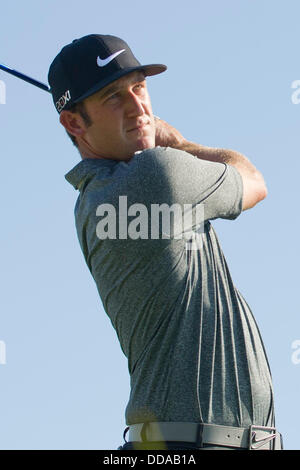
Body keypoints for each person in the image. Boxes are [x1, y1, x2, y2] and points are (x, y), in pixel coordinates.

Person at [48, 34, 283, 450]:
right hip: (190, 446)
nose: (138, 107)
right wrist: (176, 141)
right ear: (74, 123)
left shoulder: (96, 196)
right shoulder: (153, 177)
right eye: (113, 97)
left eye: (139, 87)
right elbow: (254, 181)